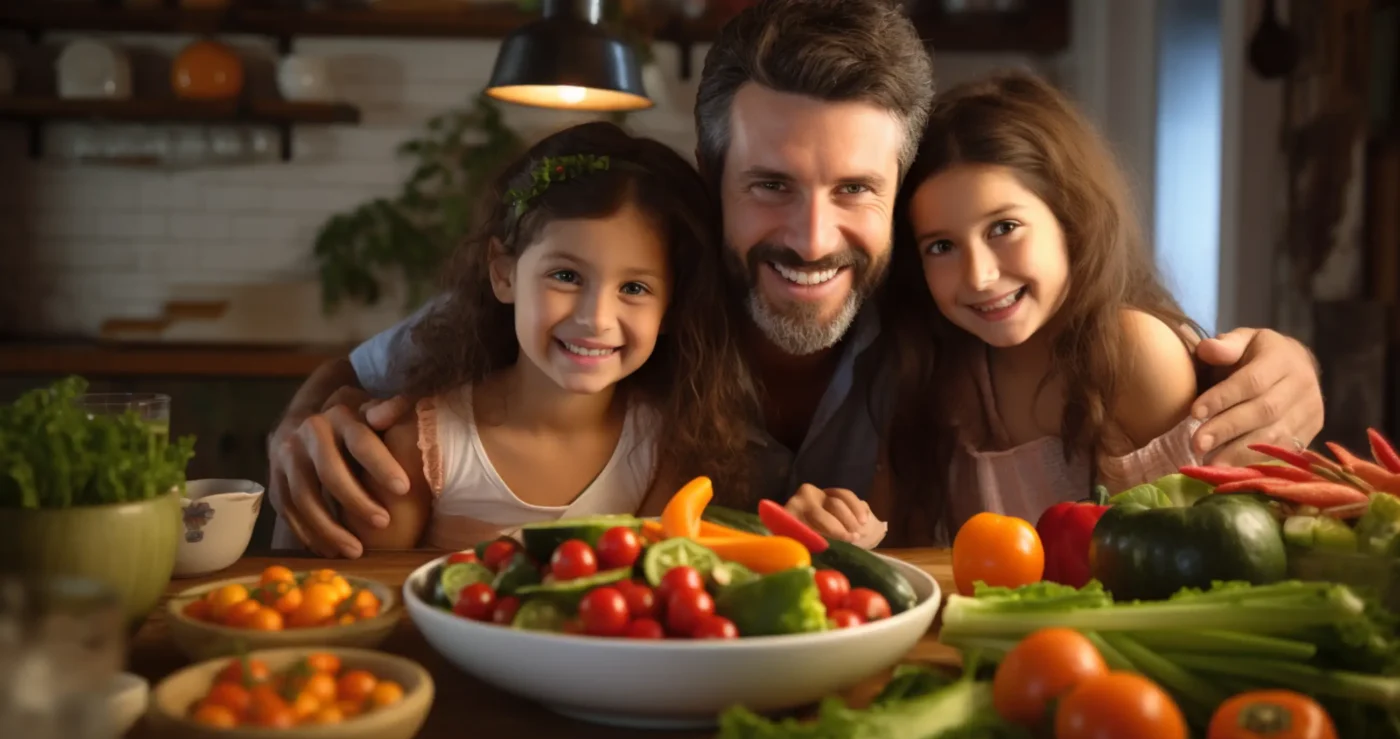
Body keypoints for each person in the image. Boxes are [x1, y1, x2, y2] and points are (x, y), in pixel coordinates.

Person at [268, 0, 1325, 558]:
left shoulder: (944, 297)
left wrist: (1281, 360)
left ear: (904, 191)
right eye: (769, 183)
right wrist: (303, 426)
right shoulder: (637, 281)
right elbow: (380, 372)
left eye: (855, 190)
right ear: (710, 176)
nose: (811, 237)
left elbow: (1086, 317)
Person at [327, 122, 752, 551]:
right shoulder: (419, 444)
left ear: (672, 307)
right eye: (566, 276)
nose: (596, 318)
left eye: (634, 289)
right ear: (503, 272)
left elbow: (656, 587)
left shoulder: (668, 447)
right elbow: (368, 591)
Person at [874, 71, 1222, 540]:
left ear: (1070, 220)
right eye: (941, 246)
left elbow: (1194, 556)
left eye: (1004, 228)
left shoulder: (1133, 354)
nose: (978, 276)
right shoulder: (938, 368)